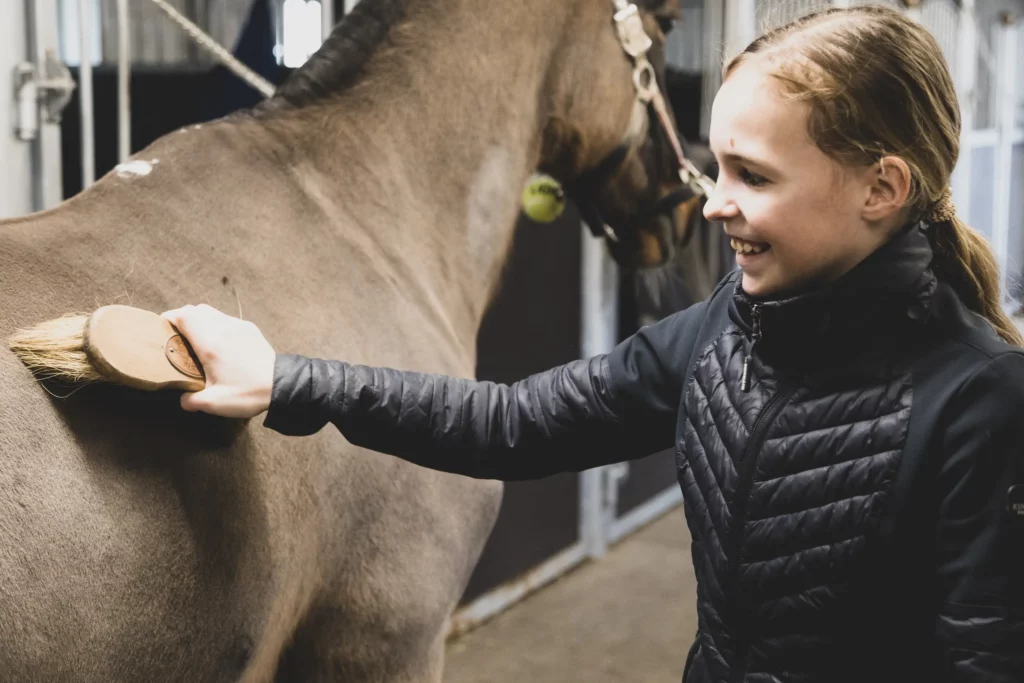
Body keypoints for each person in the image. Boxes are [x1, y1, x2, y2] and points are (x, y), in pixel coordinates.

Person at [161, 6, 1024, 682]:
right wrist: (284, 379)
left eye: (752, 176)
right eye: (717, 165)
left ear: (883, 186)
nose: (714, 203)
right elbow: (512, 422)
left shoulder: (979, 399)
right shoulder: (732, 325)